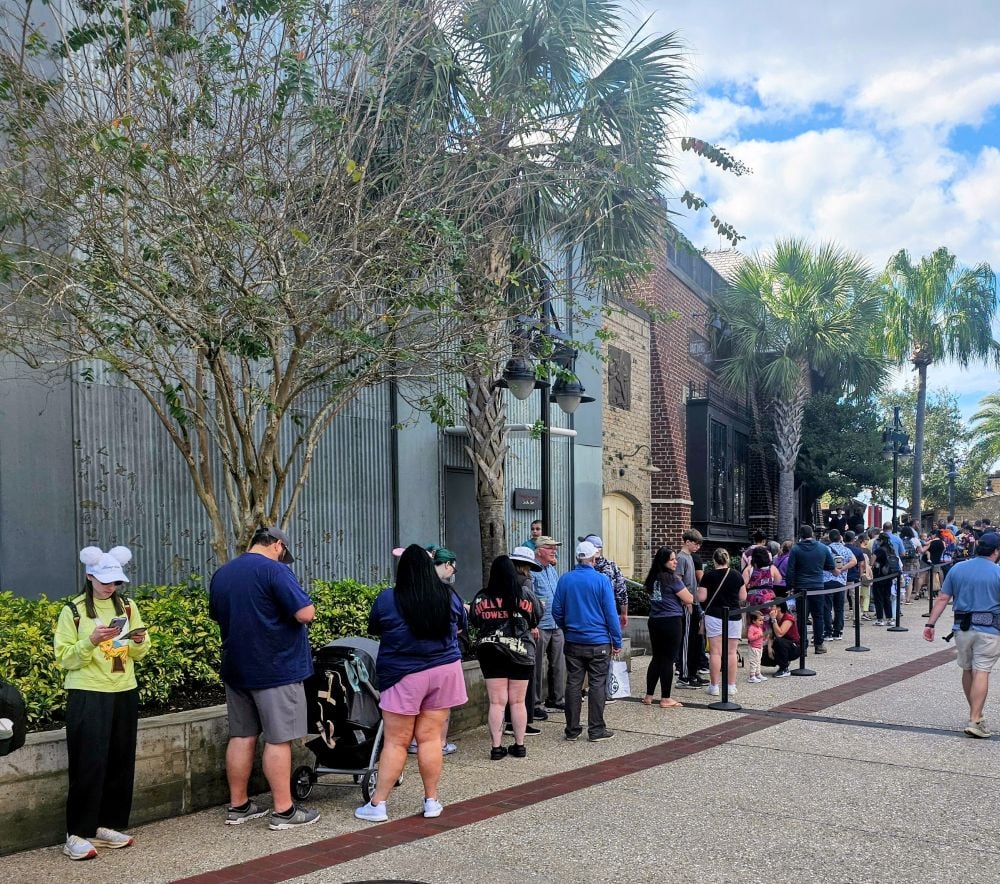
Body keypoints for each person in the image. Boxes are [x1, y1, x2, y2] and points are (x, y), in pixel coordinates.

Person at [209, 526, 320, 830]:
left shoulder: (223, 573)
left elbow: (217, 615)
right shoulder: (275, 570)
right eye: (284, 553)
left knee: (242, 735)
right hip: (276, 668)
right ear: (277, 545)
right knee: (279, 738)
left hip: (237, 668)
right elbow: (306, 613)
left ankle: (239, 806)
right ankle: (284, 811)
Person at [357, 544, 469, 821]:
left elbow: (375, 627)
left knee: (396, 741)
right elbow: (462, 625)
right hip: (444, 671)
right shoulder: (448, 596)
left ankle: (378, 805)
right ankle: (432, 801)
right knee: (431, 738)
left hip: (402, 674)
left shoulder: (387, 598)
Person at [54, 546, 150, 861]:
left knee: (120, 761)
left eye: (116, 582)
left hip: (124, 689)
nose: (110, 587)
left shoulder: (129, 607)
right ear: (90, 576)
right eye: (105, 581)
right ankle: (76, 833)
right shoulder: (74, 610)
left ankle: (106, 825)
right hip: (88, 692)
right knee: (88, 763)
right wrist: (90, 641)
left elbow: (140, 652)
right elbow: (64, 658)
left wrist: (138, 641)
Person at [923, 532, 1000, 739]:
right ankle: (975, 719)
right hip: (990, 629)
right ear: (996, 551)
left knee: (967, 669)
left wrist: (930, 624)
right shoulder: (998, 572)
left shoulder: (958, 568)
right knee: (982, 671)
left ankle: (976, 715)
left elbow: (942, 598)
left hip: (962, 629)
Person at [470, 555, 541, 760]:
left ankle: (496, 747)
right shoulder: (525, 594)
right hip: (521, 651)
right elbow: (537, 616)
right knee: (518, 701)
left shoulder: (482, 597)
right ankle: (519, 745)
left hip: (491, 651)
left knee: (497, 702)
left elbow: (474, 620)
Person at [552, 540, 622, 742]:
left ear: (577, 558)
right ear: (594, 559)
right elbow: (611, 614)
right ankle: (596, 729)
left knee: (573, 683)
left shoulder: (565, 579)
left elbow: (556, 610)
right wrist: (616, 640)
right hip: (599, 641)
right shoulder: (601, 580)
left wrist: (567, 628)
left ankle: (572, 729)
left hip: (573, 640)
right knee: (597, 684)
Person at [641, 546, 692, 708]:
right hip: (671, 621)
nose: (675, 562)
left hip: (655, 621)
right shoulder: (672, 579)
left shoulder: (653, 578)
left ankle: (649, 696)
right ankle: (666, 698)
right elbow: (689, 598)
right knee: (668, 659)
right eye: (672, 559)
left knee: (657, 657)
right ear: (663, 561)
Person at [504, 547, 544, 735]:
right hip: (522, 636)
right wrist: (534, 621)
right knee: (524, 684)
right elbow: (536, 611)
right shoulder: (526, 583)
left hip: (504, 637)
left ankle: (508, 721)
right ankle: (522, 723)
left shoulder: (503, 581)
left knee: (506, 684)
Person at [700, 548, 747, 697]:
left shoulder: (708, 575)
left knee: (715, 652)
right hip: (733, 615)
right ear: (728, 559)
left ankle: (714, 686)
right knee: (732, 652)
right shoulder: (736, 575)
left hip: (714, 615)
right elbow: (743, 597)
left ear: (714, 560)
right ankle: (731, 685)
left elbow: (701, 597)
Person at [785, 524, 837, 655]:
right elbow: (830, 565)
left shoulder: (795, 549)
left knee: (802, 617)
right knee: (818, 616)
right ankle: (819, 644)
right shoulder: (823, 548)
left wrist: (789, 586)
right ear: (812, 533)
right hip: (818, 586)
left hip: (801, 586)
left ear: (800, 535)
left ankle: (803, 646)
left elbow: (790, 570)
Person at [532, 536, 565, 716]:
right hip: (540, 625)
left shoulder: (551, 569)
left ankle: (557, 699)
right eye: (550, 548)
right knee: (536, 666)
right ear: (539, 551)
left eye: (555, 547)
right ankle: (535, 703)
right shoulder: (532, 571)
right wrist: (532, 624)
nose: (554, 551)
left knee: (558, 664)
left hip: (556, 624)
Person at [675, 528, 708, 689]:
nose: (697, 547)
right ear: (687, 542)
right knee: (687, 641)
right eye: (696, 543)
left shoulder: (689, 557)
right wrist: (686, 601)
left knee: (694, 641)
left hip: (693, 602)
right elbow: (678, 581)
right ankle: (684, 676)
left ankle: (692, 672)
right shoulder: (681, 558)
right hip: (687, 604)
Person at [579, 533, 629, 629]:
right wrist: (624, 613)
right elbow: (621, 592)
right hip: (607, 614)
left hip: (584, 615)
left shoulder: (579, 569)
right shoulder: (612, 566)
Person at [823, 530, 856, 641]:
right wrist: (842, 569)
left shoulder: (826, 549)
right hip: (841, 581)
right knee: (839, 608)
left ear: (829, 538)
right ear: (840, 538)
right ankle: (838, 632)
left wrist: (832, 569)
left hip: (827, 580)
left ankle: (828, 632)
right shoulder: (846, 550)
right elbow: (854, 561)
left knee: (827, 607)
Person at [765, 601, 801, 677]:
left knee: (778, 641)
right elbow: (771, 635)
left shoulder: (788, 618)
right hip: (782, 645)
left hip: (794, 647)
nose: (770, 608)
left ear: (779, 608)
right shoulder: (773, 619)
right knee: (761, 654)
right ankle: (782, 662)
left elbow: (779, 634)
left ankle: (784, 669)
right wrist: (769, 649)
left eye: (772, 606)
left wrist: (774, 620)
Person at [746, 611, 766, 684]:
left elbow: (760, 637)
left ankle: (758, 674)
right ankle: (752, 676)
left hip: (759, 647)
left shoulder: (759, 628)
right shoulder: (752, 628)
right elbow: (750, 638)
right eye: (760, 620)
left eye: (762, 620)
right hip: (753, 648)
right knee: (754, 662)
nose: (762, 622)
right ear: (754, 621)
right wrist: (759, 636)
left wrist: (763, 638)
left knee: (758, 661)